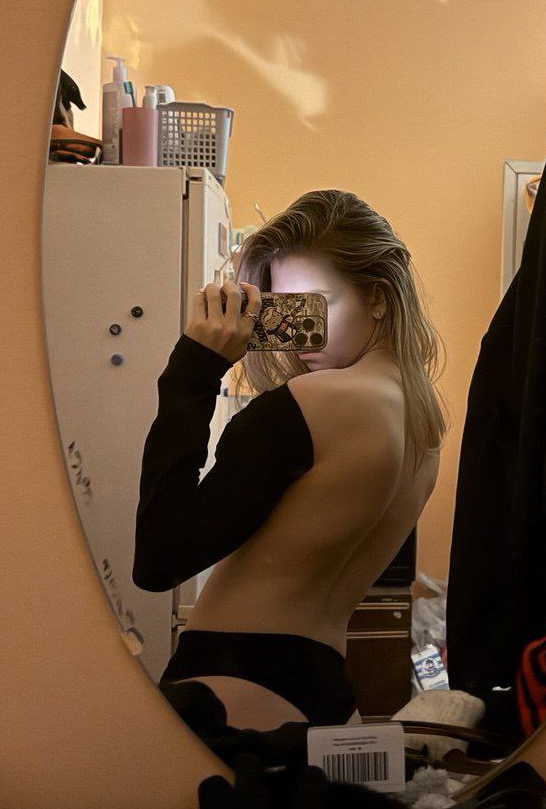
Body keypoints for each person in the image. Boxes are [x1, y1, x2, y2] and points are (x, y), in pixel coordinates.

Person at [133, 189, 446, 734]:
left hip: (235, 682)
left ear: (377, 297)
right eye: (286, 309)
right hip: (325, 687)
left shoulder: (313, 402)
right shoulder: (425, 427)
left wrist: (192, 371)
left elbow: (159, 560)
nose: (300, 335)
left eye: (316, 306)